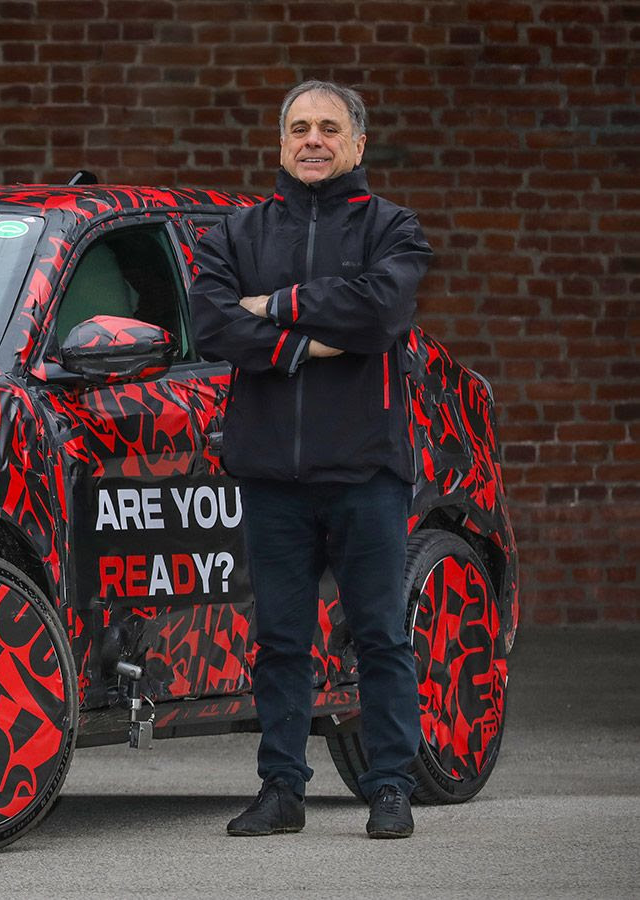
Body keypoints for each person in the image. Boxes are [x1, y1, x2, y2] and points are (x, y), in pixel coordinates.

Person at [190, 80, 432, 840]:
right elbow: (210, 324)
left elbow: (380, 311)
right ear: (282, 143)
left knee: (380, 634)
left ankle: (390, 784)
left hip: (366, 472)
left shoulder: (395, 228)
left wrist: (276, 304)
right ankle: (281, 789)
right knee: (281, 640)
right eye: (300, 128)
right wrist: (306, 343)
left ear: (358, 143)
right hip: (271, 476)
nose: (314, 140)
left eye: (330, 127)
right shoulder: (237, 234)